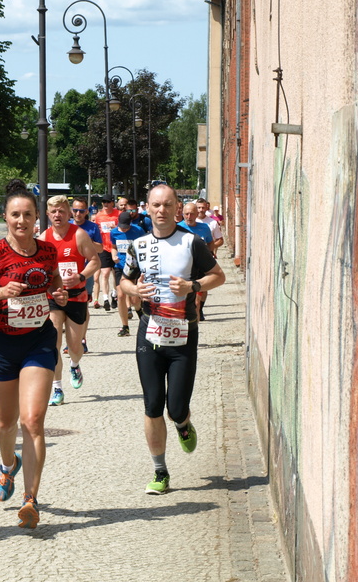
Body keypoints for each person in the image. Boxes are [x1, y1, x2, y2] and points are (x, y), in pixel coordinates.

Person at [0, 180, 69, 529]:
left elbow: (52, 281)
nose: (21, 221)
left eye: (27, 215)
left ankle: (30, 500)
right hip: (2, 344)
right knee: (6, 423)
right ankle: (8, 465)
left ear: (38, 218)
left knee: (33, 420)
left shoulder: (47, 251)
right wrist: (1, 291)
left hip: (38, 340)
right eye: (15, 215)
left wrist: (59, 294)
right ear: (5, 218)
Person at [119, 184, 225, 495]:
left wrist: (192, 287)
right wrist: (135, 291)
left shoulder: (191, 242)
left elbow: (219, 276)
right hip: (149, 333)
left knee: (176, 407)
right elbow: (122, 281)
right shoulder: (137, 245)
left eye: (167, 205)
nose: (161, 210)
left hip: (183, 335)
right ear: (148, 208)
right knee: (153, 405)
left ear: (176, 207)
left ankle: (182, 423)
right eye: (156, 205)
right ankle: (160, 471)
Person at [38, 195, 99, 406]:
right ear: (47, 214)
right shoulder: (44, 238)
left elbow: (95, 261)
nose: (57, 215)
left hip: (76, 296)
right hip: (53, 297)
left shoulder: (79, 235)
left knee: (74, 346)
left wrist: (81, 276)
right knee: (53, 344)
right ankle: (57, 389)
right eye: (53, 212)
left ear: (69, 213)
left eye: (62, 211)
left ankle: (75, 364)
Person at [70, 197, 103, 352]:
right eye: (75, 210)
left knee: (83, 307)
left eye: (81, 211)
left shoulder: (92, 227)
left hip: (85, 272)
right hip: (67, 272)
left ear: (86, 212)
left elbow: (101, 249)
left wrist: (85, 242)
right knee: (65, 308)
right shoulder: (66, 225)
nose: (78, 213)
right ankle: (71, 341)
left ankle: (81, 339)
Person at [109, 211, 145, 337]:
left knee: (135, 298)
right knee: (121, 295)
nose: (124, 229)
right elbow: (113, 246)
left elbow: (144, 246)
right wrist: (114, 254)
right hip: (120, 266)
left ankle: (140, 314)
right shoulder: (114, 232)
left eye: (126, 226)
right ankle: (125, 326)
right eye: (122, 226)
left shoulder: (138, 230)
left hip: (134, 267)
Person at [179, 202, 215, 321]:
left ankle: (198, 310)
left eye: (192, 214)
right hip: (184, 265)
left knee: (202, 289)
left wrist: (209, 253)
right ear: (183, 214)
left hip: (200, 265)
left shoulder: (204, 228)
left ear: (197, 214)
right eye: (187, 214)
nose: (189, 217)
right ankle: (190, 312)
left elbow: (210, 242)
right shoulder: (177, 228)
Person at [93, 194, 121, 310]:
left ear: (112, 203)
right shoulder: (99, 216)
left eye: (108, 202)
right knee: (105, 273)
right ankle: (105, 299)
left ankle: (114, 294)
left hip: (116, 247)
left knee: (115, 274)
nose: (105, 204)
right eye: (104, 202)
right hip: (104, 248)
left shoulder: (118, 214)